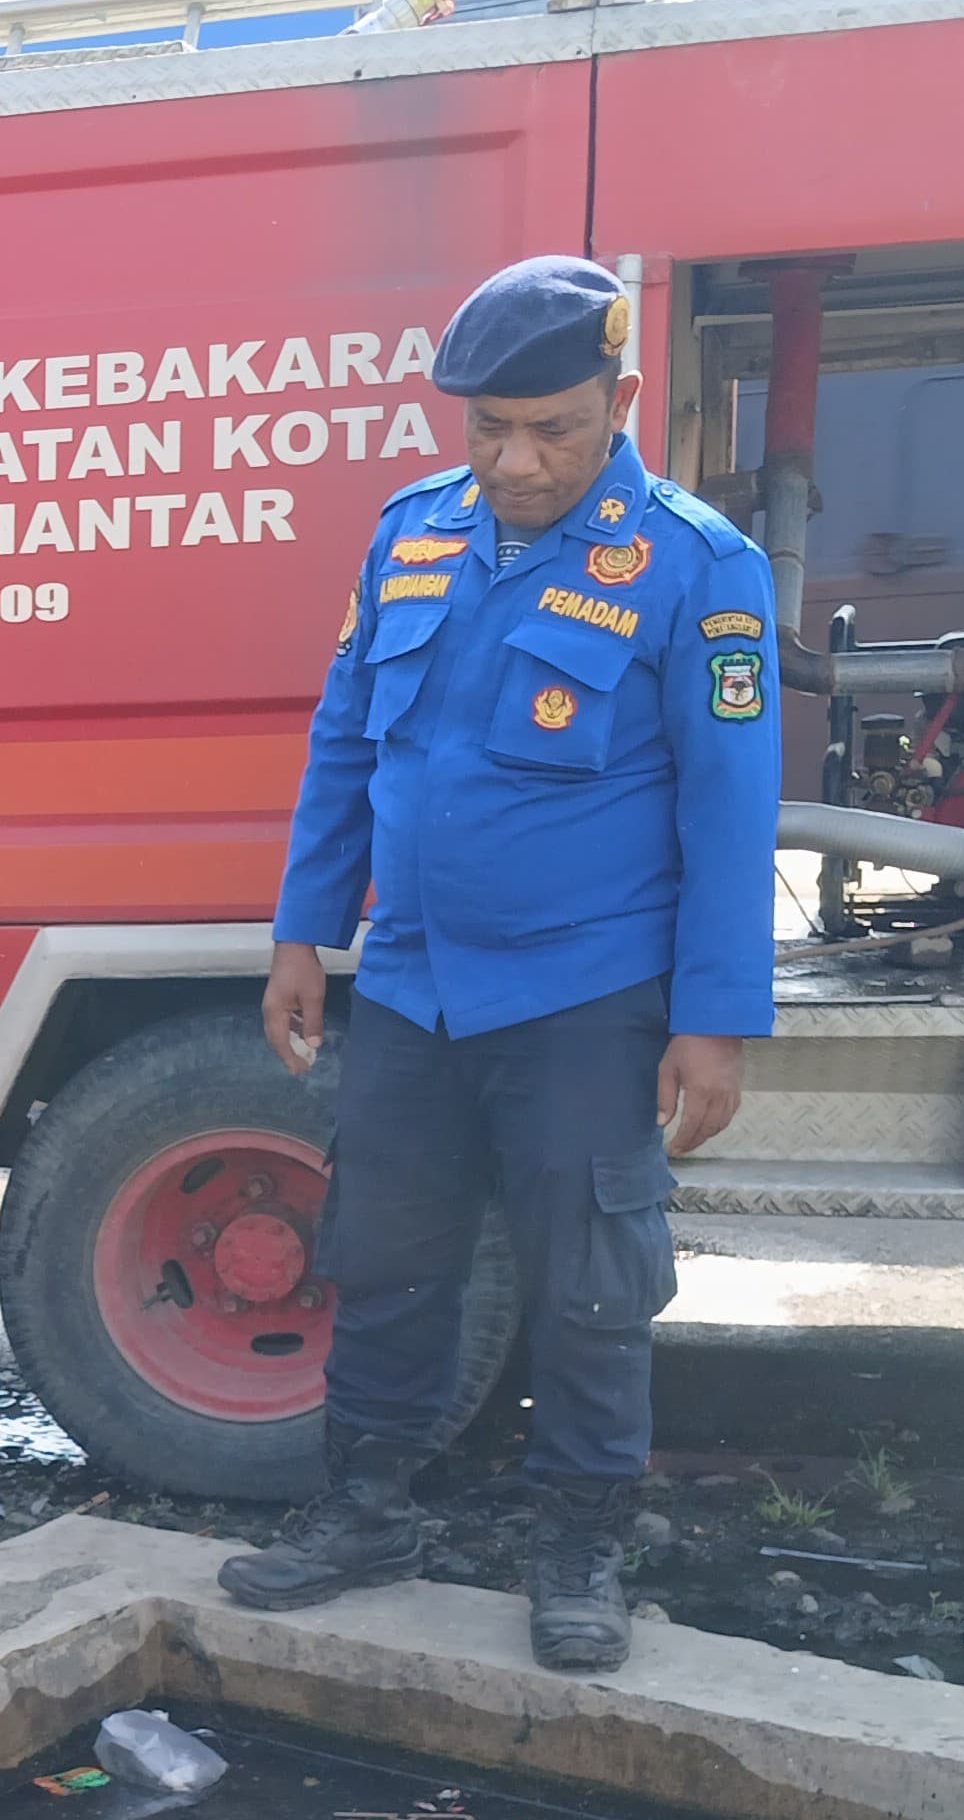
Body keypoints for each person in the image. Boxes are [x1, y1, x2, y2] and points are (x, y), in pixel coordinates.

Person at [227, 253, 780, 1672]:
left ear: (625, 400)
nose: (517, 462)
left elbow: (730, 811)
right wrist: (303, 928)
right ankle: (365, 1513)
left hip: (585, 998)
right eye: (488, 430)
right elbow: (346, 740)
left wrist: (714, 1019)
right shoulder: (410, 537)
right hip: (411, 981)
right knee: (386, 1259)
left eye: (555, 429)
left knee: (591, 1282)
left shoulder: (696, 565)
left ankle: (579, 1545)